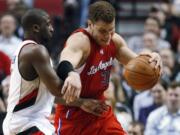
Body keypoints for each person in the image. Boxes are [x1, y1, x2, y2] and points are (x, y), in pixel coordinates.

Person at [54, 1, 162, 135]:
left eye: (111, 30)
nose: (107, 37)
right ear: (90, 25)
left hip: (100, 111)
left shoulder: (114, 41)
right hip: (73, 115)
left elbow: (137, 64)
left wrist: (152, 60)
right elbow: (64, 63)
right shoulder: (80, 41)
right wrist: (71, 74)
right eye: (102, 31)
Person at [3, 9, 81, 135]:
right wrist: (71, 73)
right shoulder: (36, 51)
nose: (52, 29)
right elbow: (57, 89)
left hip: (25, 124)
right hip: (25, 124)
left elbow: (51, 95)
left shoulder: (27, 50)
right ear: (36, 28)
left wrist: (83, 103)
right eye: (48, 24)